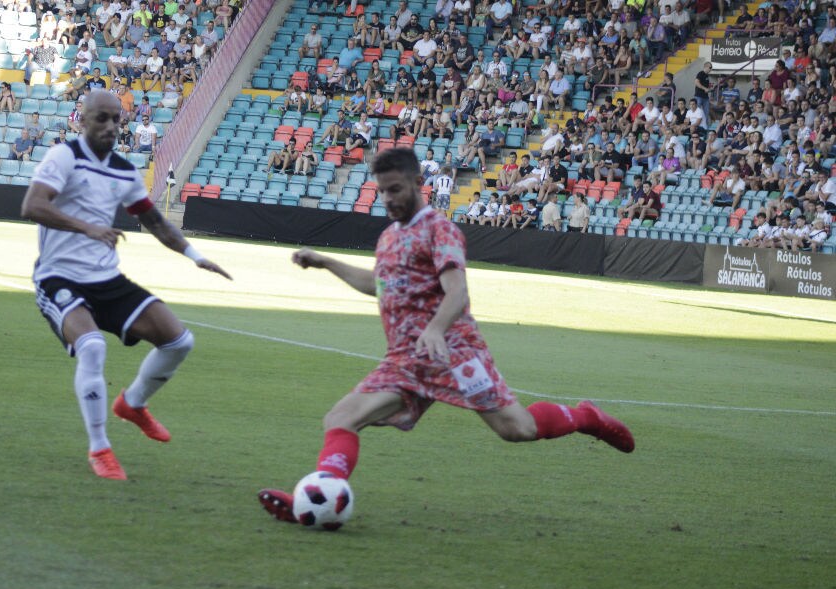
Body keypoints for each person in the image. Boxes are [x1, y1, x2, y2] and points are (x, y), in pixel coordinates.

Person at [257, 148, 634, 522]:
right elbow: (377, 284)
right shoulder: (389, 237)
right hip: (406, 360)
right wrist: (326, 262)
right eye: (383, 191)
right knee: (340, 418)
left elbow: (458, 290)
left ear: (418, 184)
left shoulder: (440, 229)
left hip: (454, 353)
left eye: (395, 190)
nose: (387, 198)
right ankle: (313, 501)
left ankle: (587, 418)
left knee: (517, 429)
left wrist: (436, 329)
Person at [21, 91, 231, 480]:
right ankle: (100, 448)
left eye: (117, 120)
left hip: (106, 278)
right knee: (93, 347)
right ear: (82, 120)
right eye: (102, 118)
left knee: (179, 341)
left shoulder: (125, 171)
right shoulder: (64, 156)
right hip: (59, 276)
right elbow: (32, 205)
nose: (111, 127)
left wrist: (194, 256)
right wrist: (87, 227)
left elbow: (154, 222)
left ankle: (132, 404)